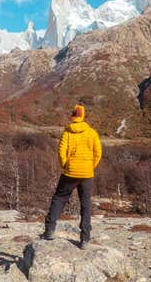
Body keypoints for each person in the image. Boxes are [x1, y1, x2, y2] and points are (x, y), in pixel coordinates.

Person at [43, 104, 102, 249]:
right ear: (83, 116)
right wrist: (90, 166)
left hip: (70, 172)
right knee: (85, 204)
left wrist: (66, 165)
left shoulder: (67, 132)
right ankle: (85, 239)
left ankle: (50, 230)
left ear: (73, 116)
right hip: (87, 174)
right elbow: (98, 153)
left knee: (59, 198)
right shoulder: (92, 133)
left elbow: (61, 152)